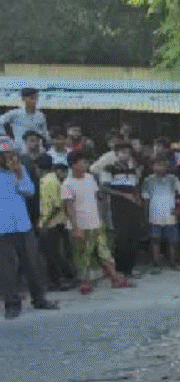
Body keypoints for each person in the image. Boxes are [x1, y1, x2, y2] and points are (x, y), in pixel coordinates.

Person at [0, 137, 59, 319]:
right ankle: (12, 304)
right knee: (7, 269)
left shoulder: (20, 170)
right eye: (6, 155)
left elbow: (29, 191)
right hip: (3, 228)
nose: (10, 158)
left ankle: (39, 299)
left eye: (12, 154)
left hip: (23, 225)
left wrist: (19, 175)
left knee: (33, 264)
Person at [61, 152, 132, 293]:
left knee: (104, 252)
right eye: (83, 162)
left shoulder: (90, 178)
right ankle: (85, 281)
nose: (86, 165)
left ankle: (115, 278)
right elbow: (69, 208)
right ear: (74, 165)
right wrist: (76, 228)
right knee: (83, 255)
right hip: (80, 225)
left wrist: (100, 219)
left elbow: (94, 200)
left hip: (95, 223)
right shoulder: (67, 184)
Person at [99, 142, 143, 277]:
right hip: (118, 205)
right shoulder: (109, 168)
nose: (125, 155)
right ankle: (119, 267)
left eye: (127, 152)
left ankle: (130, 267)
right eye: (122, 152)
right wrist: (124, 195)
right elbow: (104, 188)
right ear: (116, 154)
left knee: (133, 235)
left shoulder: (132, 169)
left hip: (132, 205)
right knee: (121, 236)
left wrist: (136, 197)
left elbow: (134, 186)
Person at [36, 155, 76, 290]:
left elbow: (55, 205)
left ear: (38, 167)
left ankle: (61, 280)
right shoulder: (53, 180)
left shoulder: (48, 182)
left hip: (52, 222)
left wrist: (44, 222)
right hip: (55, 221)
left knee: (51, 254)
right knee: (53, 253)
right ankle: (65, 277)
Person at [141, 156, 180, 272]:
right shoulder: (148, 181)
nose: (160, 167)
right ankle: (156, 263)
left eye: (163, 165)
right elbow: (145, 199)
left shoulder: (173, 179)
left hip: (170, 214)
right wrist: (145, 215)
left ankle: (173, 262)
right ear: (152, 167)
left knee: (173, 240)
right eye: (157, 165)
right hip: (154, 214)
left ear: (167, 167)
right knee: (155, 239)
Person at [1, 88, 50, 154]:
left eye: (36, 98)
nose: (34, 101)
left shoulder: (40, 116)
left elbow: (45, 134)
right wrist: (10, 136)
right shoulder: (15, 113)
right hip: (19, 150)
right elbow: (2, 121)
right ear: (24, 99)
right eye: (31, 98)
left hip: (36, 151)